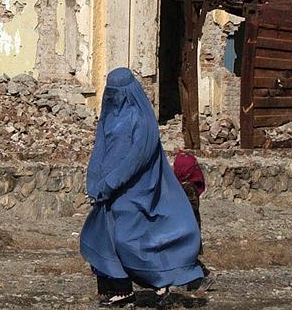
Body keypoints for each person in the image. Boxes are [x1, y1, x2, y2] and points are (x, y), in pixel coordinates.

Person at [80, 67, 205, 307]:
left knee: (135, 241)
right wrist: (95, 182)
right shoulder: (111, 116)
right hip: (111, 194)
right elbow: (101, 151)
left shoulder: (141, 120)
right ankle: (122, 290)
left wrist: (111, 182)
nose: (113, 96)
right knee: (105, 239)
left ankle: (161, 284)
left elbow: (136, 159)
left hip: (138, 191)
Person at [173, 150, 213, 286]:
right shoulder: (184, 186)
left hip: (187, 228)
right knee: (186, 256)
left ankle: (201, 278)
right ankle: (197, 279)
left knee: (187, 257)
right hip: (187, 228)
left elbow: (192, 206)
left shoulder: (188, 188)